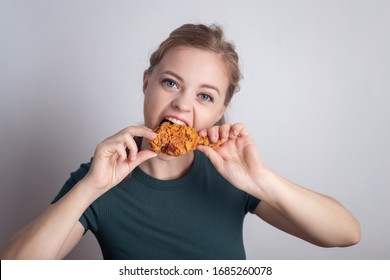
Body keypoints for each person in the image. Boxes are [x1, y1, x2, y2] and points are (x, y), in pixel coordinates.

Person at [0, 23, 360, 260]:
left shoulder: (231, 175)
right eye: (171, 83)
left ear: (221, 110)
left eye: (205, 96)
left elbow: (346, 234)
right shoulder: (99, 178)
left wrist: (261, 179)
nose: (182, 104)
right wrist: (89, 188)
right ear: (147, 82)